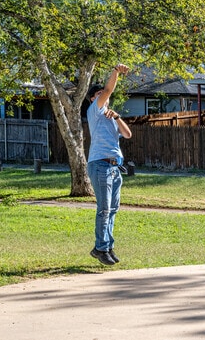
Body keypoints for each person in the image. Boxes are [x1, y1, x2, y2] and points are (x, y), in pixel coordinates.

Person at [86, 64, 132, 266]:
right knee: (104, 209)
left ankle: (107, 246)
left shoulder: (110, 116)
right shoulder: (94, 111)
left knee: (113, 209)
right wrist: (116, 71)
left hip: (114, 167)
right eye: (97, 94)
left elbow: (128, 134)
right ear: (92, 99)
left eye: (101, 94)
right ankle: (100, 248)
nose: (102, 96)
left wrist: (117, 117)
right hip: (100, 165)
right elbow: (108, 90)